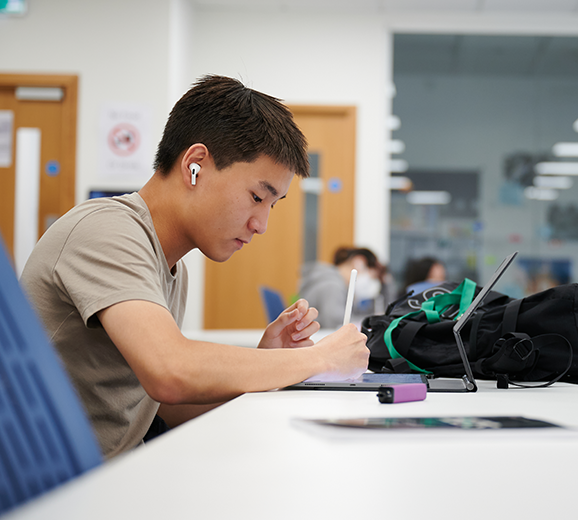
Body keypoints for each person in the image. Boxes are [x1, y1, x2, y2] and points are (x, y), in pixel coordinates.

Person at [19, 75, 369, 459]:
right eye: (257, 196)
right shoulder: (107, 230)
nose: (261, 224)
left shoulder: (169, 264)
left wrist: (270, 362)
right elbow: (171, 372)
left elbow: (164, 404)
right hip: (58, 488)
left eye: (272, 204)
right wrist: (318, 359)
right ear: (195, 166)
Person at [298, 246, 384, 329]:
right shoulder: (332, 285)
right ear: (358, 263)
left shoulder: (332, 282)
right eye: (371, 276)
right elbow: (335, 322)